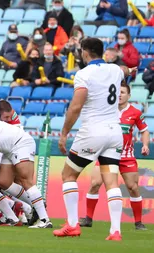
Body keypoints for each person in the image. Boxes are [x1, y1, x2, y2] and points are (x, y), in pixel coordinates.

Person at [53, 38, 125, 240]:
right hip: (114, 133)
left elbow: (76, 107)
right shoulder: (115, 70)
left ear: (85, 52)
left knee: (68, 175)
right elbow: (125, 71)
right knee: (111, 182)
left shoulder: (84, 74)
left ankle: (73, 224)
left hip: (93, 132)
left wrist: (65, 133)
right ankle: (116, 231)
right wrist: (130, 68)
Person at [79, 82, 150, 231]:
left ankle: (138, 222)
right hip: (105, 154)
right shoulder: (106, 111)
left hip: (126, 156)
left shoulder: (135, 113)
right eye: (118, 92)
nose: (119, 95)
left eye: (123, 92)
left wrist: (145, 145)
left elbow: (144, 130)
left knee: (133, 188)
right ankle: (88, 219)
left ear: (129, 96)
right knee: (94, 184)